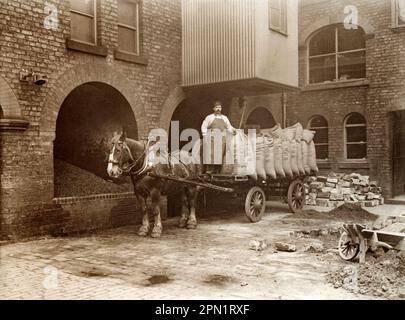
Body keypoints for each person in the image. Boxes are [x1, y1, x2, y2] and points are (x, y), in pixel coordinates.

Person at [201, 101, 237, 174]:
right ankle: (209, 170)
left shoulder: (224, 118)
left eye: (220, 107)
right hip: (212, 139)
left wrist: (233, 130)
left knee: (220, 156)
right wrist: (204, 135)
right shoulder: (209, 117)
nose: (218, 109)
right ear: (213, 108)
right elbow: (204, 126)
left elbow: (229, 127)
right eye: (217, 107)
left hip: (222, 140)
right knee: (211, 155)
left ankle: (217, 171)